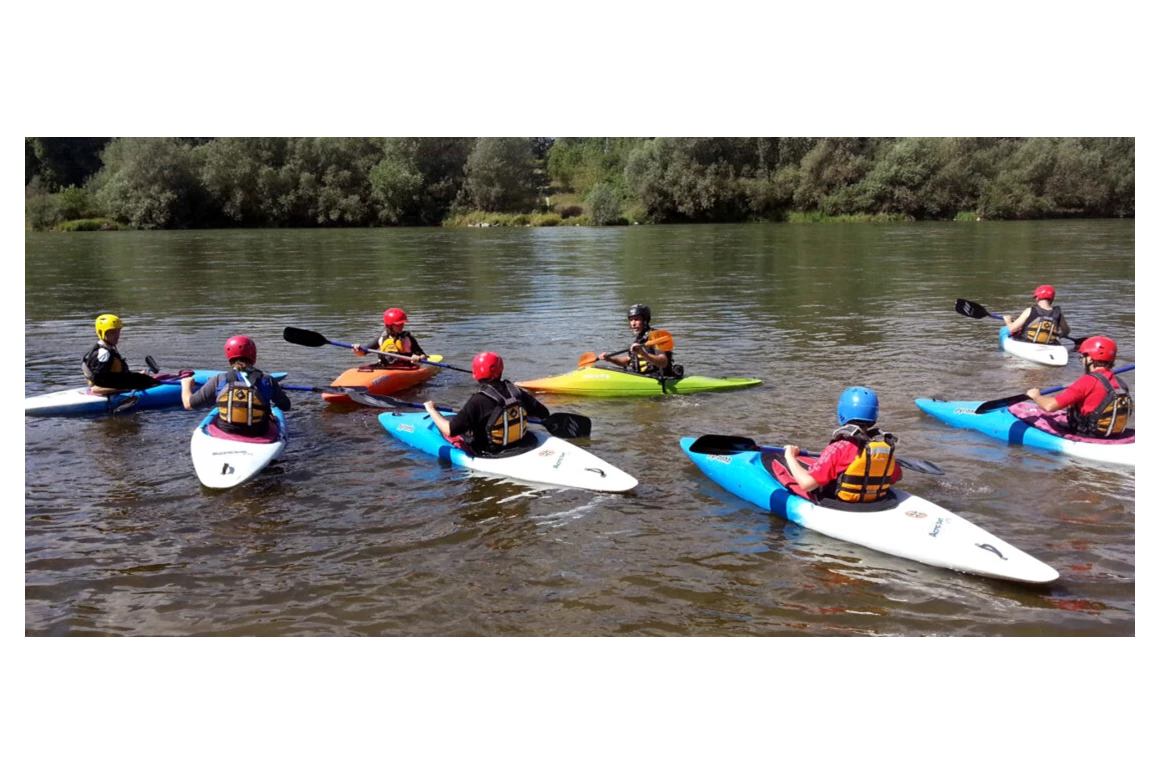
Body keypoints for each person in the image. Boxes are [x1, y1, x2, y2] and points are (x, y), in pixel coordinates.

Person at [783, 386, 902, 503]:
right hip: (876, 503)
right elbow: (897, 476)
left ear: (842, 411)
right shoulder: (881, 449)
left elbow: (807, 484)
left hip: (844, 504)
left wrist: (790, 456)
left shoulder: (838, 448)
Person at [424, 351, 550, 456]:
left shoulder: (477, 401)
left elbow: (449, 430)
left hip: (492, 452)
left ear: (475, 374)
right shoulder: (517, 392)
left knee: (448, 427)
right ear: (501, 369)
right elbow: (544, 413)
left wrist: (431, 410)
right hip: (523, 443)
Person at [181, 335, 291, 437]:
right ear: (254, 355)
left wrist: (186, 384)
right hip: (258, 432)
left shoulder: (219, 379)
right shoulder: (267, 380)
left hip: (226, 430)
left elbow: (189, 405)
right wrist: (276, 390)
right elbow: (286, 406)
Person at [1026, 336, 1132, 437]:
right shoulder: (1120, 382)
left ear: (1090, 358)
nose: (1081, 360)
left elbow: (1050, 406)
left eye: (1083, 357)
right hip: (1111, 433)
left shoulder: (1087, 381)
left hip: (1089, 435)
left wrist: (1036, 396)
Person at [598, 304, 682, 377]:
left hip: (658, 378)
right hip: (643, 376)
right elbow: (628, 360)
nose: (633, 323)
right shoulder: (639, 339)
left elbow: (663, 362)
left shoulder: (656, 336)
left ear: (645, 320)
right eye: (631, 320)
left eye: (637, 319)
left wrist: (643, 353)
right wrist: (610, 359)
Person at [81, 313, 153, 395]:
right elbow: (97, 387)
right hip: (104, 393)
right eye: (112, 332)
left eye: (118, 331)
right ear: (102, 333)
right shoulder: (103, 354)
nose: (117, 335)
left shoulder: (107, 349)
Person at [352, 307, 428, 368]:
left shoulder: (408, 338)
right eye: (398, 324)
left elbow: (424, 356)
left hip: (406, 368)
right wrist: (357, 349)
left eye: (402, 323)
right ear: (389, 325)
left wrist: (419, 358)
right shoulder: (381, 338)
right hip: (384, 368)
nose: (402, 326)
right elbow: (362, 353)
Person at [1004, 285, 1071, 344]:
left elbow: (1012, 329)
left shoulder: (1029, 310)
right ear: (1052, 298)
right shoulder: (1058, 313)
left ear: (1037, 298)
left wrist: (1008, 321)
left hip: (1027, 342)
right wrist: (1058, 336)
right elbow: (1066, 331)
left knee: (1005, 330)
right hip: (1049, 344)